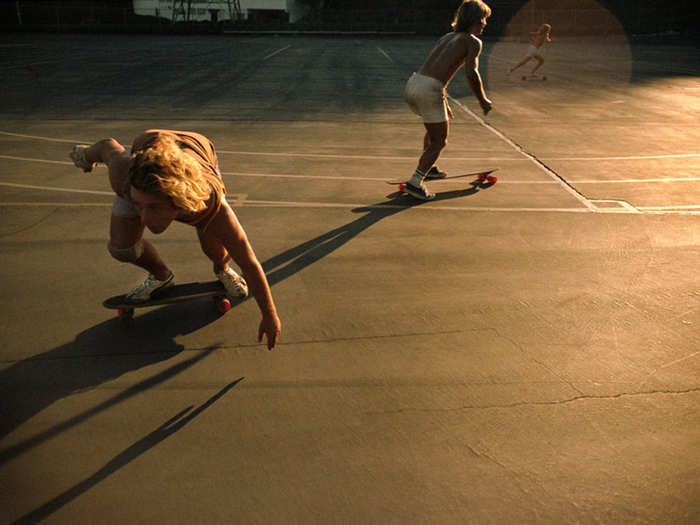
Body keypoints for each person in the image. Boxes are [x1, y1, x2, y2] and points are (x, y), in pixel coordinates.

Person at [69, 129, 281, 349]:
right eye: (138, 206)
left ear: (178, 202)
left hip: (198, 150)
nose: (144, 218)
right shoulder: (124, 176)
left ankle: (222, 269)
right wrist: (86, 156)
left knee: (215, 249)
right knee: (122, 249)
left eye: (154, 208)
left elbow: (249, 262)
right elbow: (107, 147)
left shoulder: (209, 204)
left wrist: (269, 316)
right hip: (147, 150)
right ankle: (161, 275)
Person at [403, 0, 493, 201]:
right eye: (484, 19)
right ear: (476, 20)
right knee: (440, 140)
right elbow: (472, 74)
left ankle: (430, 168)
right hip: (429, 89)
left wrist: (442, 99)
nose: (486, 24)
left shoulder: (447, 37)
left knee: (432, 129)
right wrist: (483, 100)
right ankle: (415, 182)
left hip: (414, 83)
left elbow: (435, 68)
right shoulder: (473, 42)